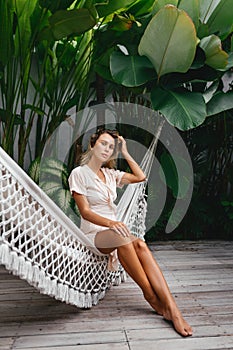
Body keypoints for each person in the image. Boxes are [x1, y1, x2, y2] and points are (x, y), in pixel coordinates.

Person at [68, 128, 193, 337]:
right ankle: (151, 296)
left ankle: (172, 308)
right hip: (93, 235)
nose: (107, 149)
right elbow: (86, 212)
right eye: (103, 144)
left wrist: (125, 152)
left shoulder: (110, 175)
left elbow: (140, 176)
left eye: (111, 147)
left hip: (116, 232)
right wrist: (110, 223)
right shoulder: (79, 174)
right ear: (92, 145)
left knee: (141, 245)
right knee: (123, 235)